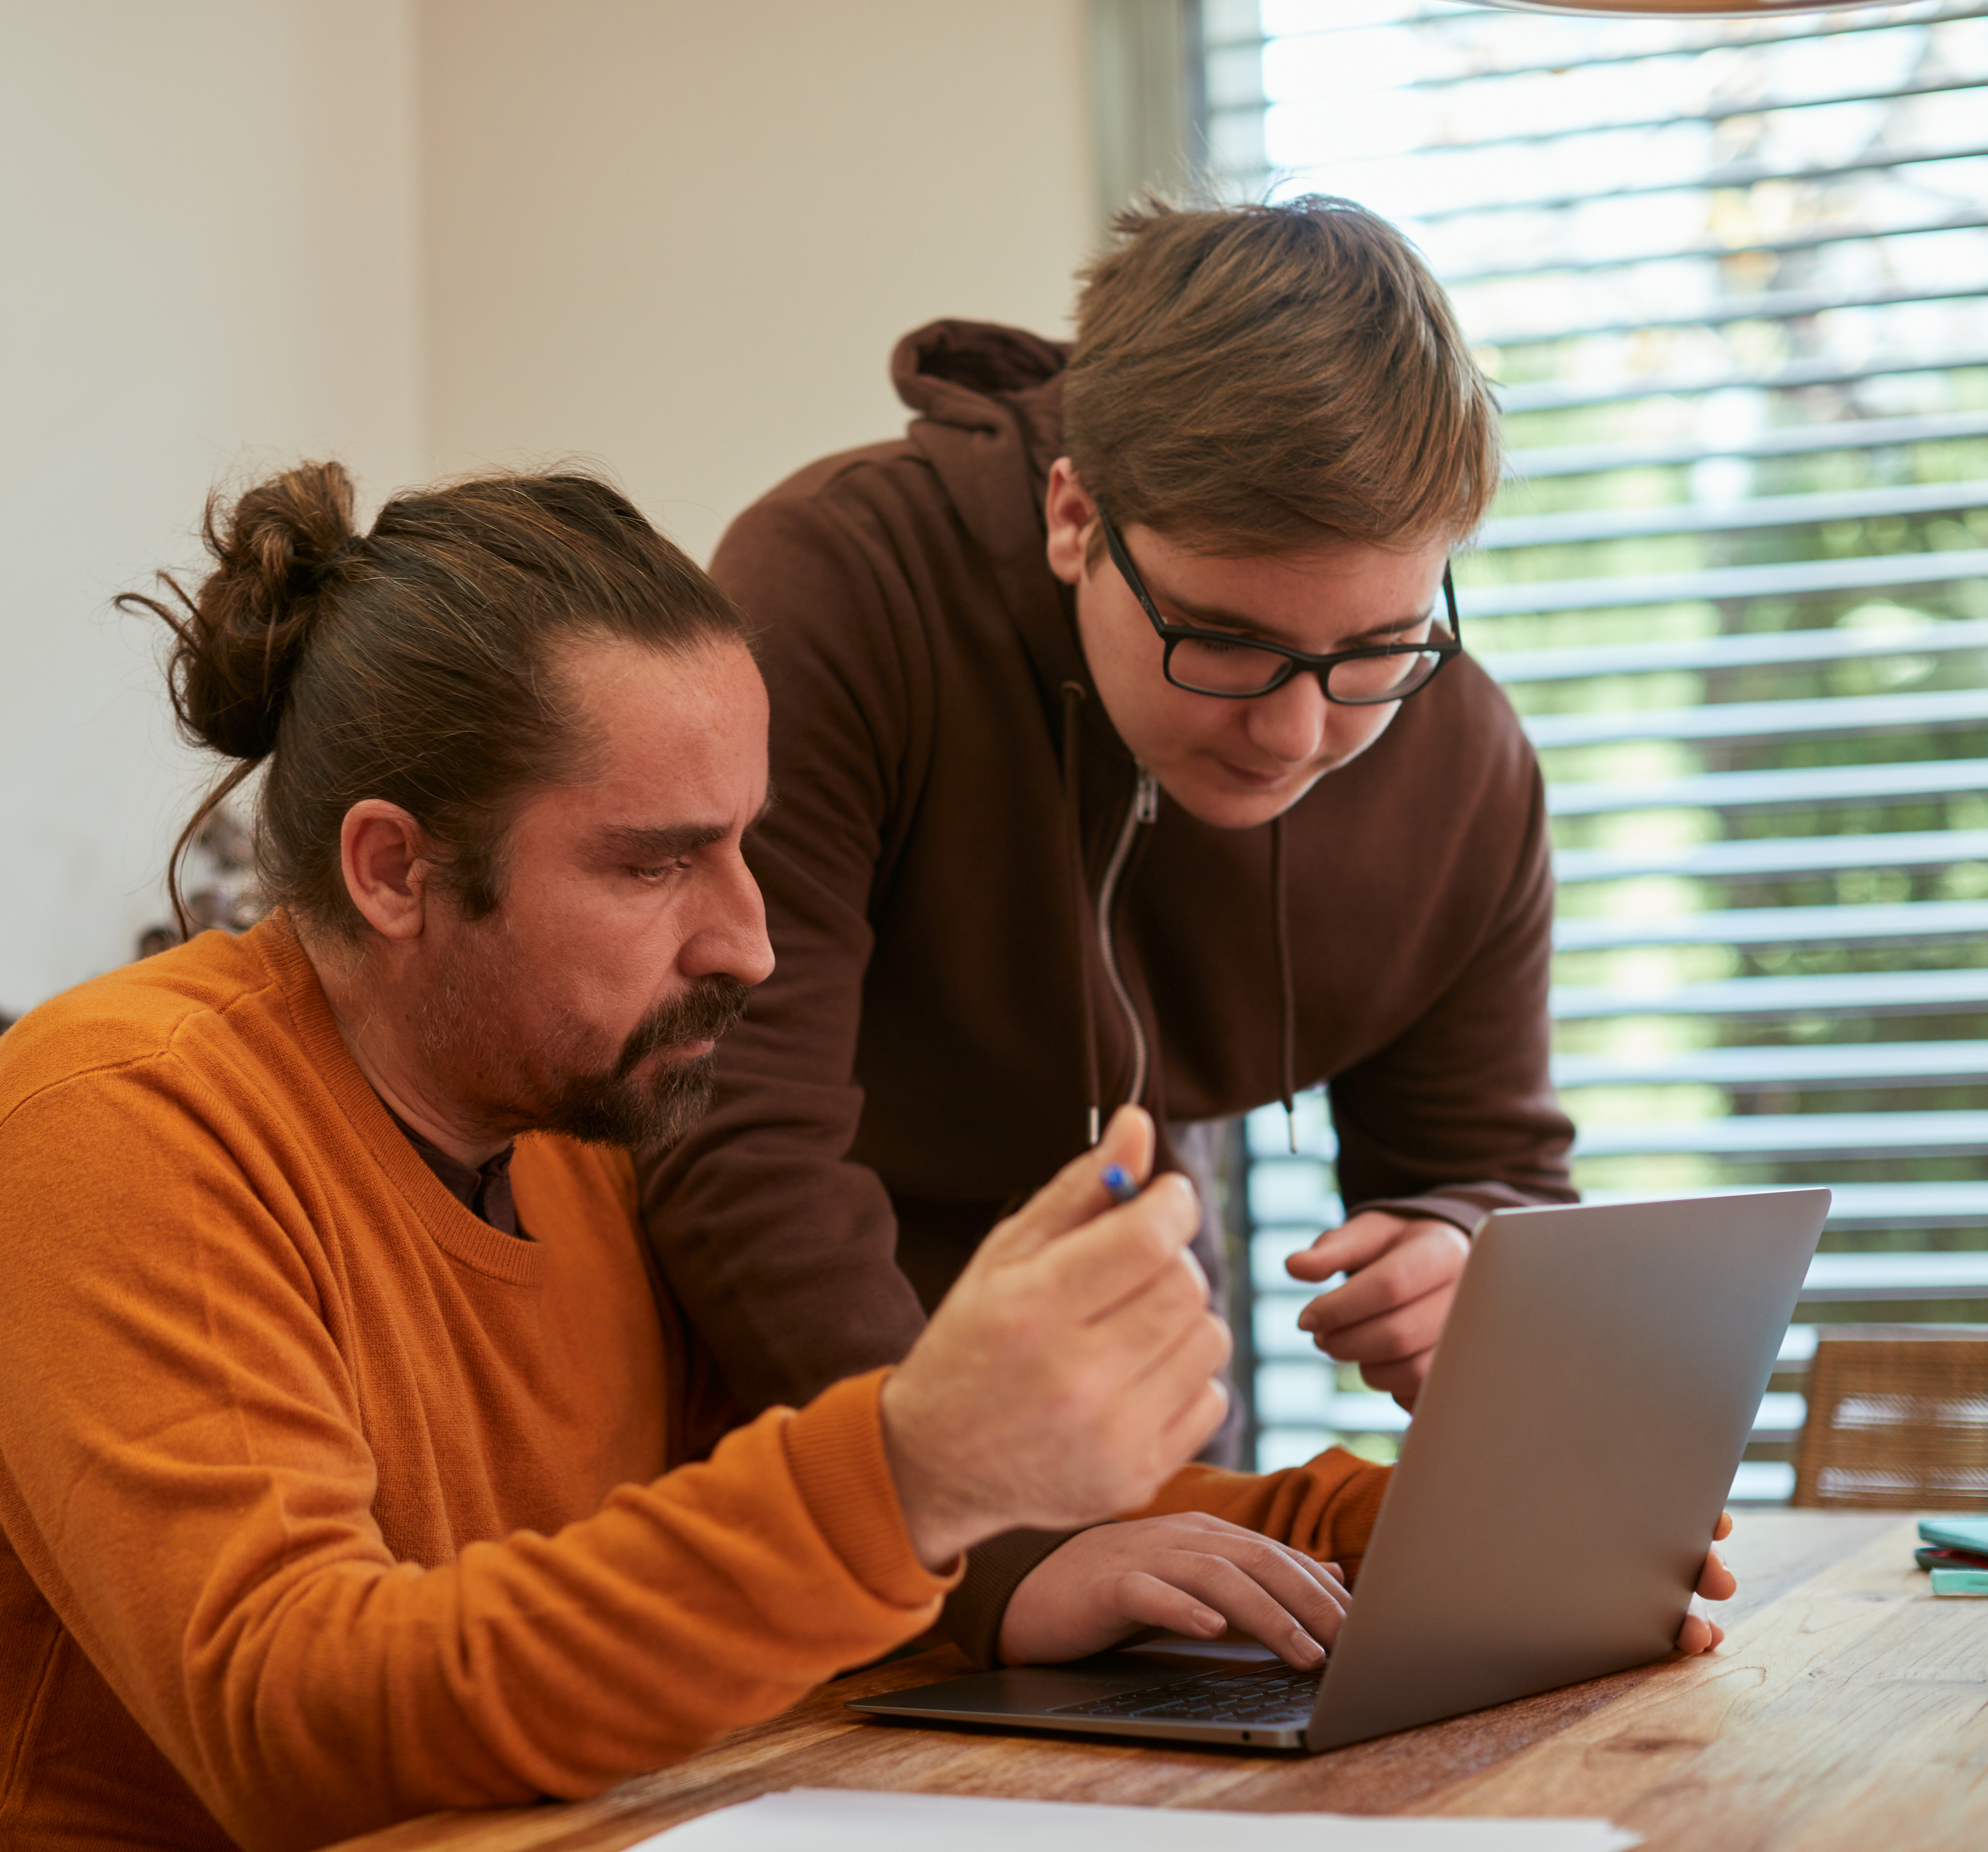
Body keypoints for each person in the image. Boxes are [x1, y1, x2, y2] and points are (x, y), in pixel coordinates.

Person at [0, 461, 1502, 1852]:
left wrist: (1406, 1532)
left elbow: (769, 1537)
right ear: (397, 869)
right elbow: (300, 1724)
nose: (753, 944)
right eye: (658, 866)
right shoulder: (122, 1124)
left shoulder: (578, 1131)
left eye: (750, 851)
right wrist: (916, 1474)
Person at [638, 195, 1584, 1664]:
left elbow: (1497, 1167)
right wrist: (994, 1549)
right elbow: (733, 1139)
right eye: (1226, 642)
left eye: (1377, 652)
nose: (1297, 731)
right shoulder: (837, 593)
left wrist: (1465, 1253)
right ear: (1076, 514)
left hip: (1128, 1445)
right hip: (785, 1440)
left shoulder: (1459, 761)